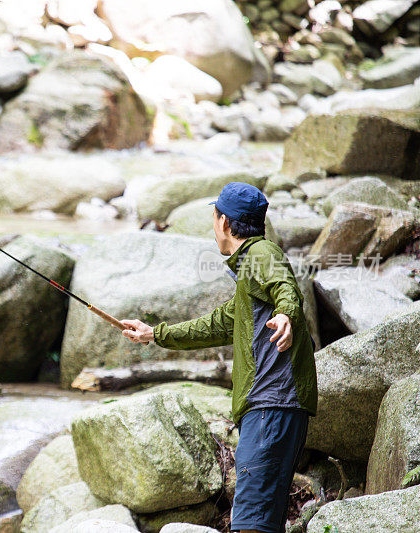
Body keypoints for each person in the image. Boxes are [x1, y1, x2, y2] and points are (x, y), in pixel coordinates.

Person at [120, 182, 318, 533]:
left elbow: (286, 287)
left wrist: (287, 314)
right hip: (274, 408)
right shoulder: (249, 276)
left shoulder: (261, 255)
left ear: (223, 222)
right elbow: (215, 324)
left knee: (250, 525)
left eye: (214, 216)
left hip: (270, 407)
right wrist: (155, 334)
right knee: (260, 523)